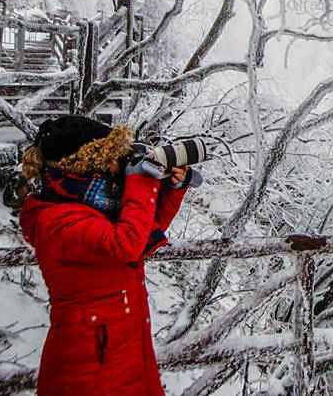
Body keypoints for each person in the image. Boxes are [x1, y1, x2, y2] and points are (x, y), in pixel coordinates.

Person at [19, 115, 199, 396]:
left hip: (123, 345)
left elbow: (143, 232)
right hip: (89, 363)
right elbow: (126, 243)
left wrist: (173, 188)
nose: (118, 165)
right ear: (90, 162)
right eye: (113, 157)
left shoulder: (96, 205)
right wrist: (141, 180)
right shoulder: (56, 220)